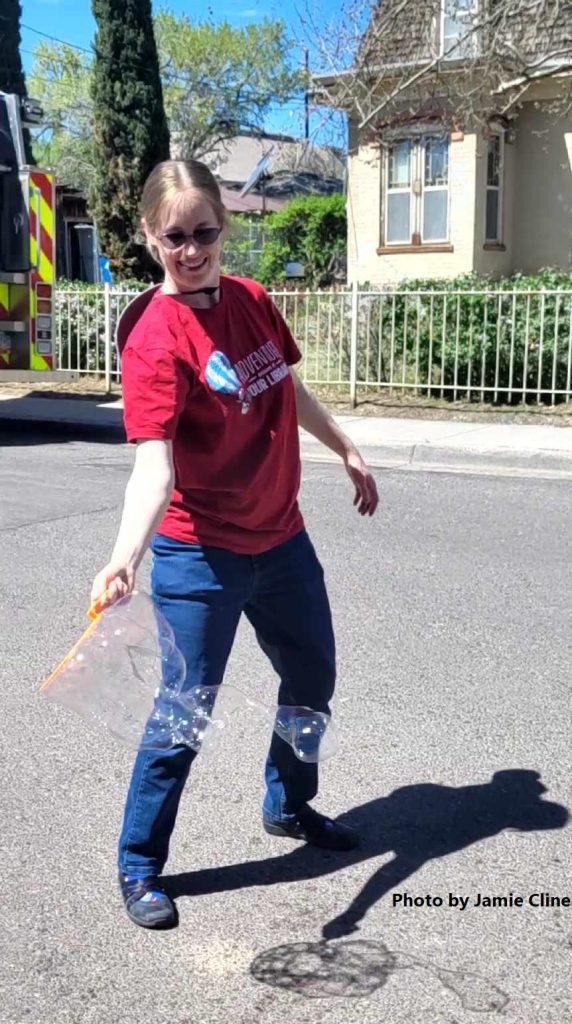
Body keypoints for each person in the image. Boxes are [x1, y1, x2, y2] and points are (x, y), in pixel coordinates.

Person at [91, 159, 379, 930]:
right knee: (182, 713)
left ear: (226, 226)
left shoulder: (252, 299)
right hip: (200, 554)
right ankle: (139, 864)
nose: (192, 251)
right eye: (175, 236)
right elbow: (153, 467)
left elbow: (285, 384)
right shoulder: (154, 339)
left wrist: (345, 446)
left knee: (312, 679)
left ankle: (289, 804)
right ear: (151, 234)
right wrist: (126, 556)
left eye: (205, 233)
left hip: (282, 539)